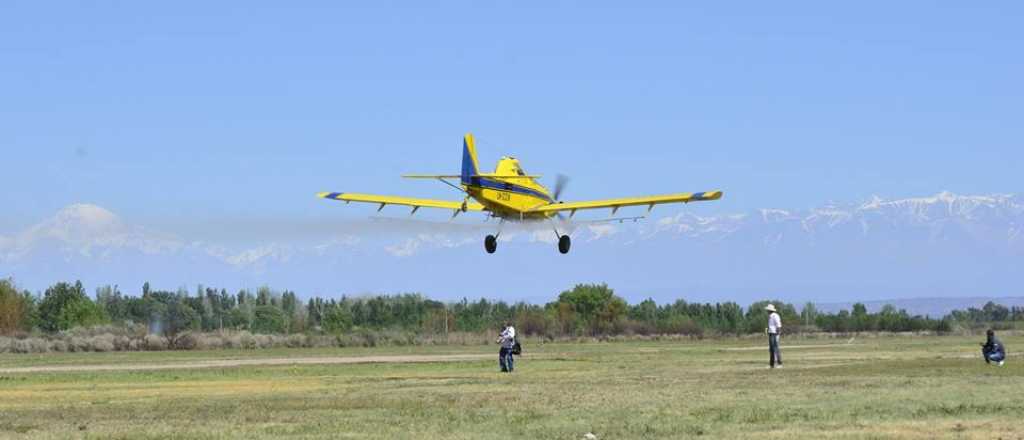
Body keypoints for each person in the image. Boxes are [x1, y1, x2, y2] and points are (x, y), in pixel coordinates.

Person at [765, 304, 782, 369]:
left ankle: (779, 363)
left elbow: (778, 325)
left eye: (767, 310)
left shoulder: (775, 316)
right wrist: (767, 330)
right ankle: (771, 364)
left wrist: (778, 334)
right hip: (771, 333)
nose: (767, 311)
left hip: (774, 334)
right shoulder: (770, 316)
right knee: (771, 349)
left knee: (775, 349)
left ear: (770, 310)